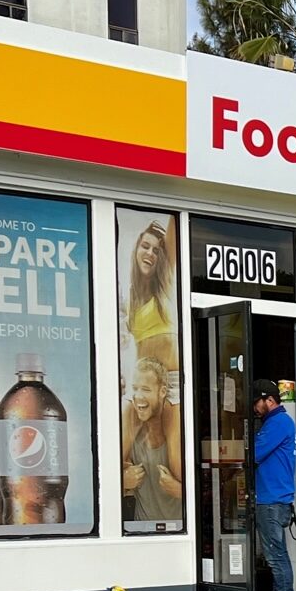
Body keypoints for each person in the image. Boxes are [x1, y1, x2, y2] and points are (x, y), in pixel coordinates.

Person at [252, 377, 296, 591]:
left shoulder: (278, 422)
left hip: (271, 500)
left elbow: (254, 453)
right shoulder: (276, 422)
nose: (255, 408)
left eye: (257, 402)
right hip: (272, 498)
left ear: (269, 400)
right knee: (274, 556)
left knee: (275, 557)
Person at [120, 358, 183, 524]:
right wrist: (123, 482)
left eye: (146, 389)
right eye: (135, 388)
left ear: (162, 391)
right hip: (143, 533)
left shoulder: (177, 425)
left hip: (180, 533)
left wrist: (181, 491)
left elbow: (207, 488)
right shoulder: (131, 429)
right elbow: (103, 485)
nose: (138, 396)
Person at [122, 219, 178, 377]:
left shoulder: (164, 285)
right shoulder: (129, 301)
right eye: (145, 246)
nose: (149, 253)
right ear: (136, 251)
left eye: (156, 251)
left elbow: (175, 221)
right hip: (144, 387)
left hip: (171, 384)